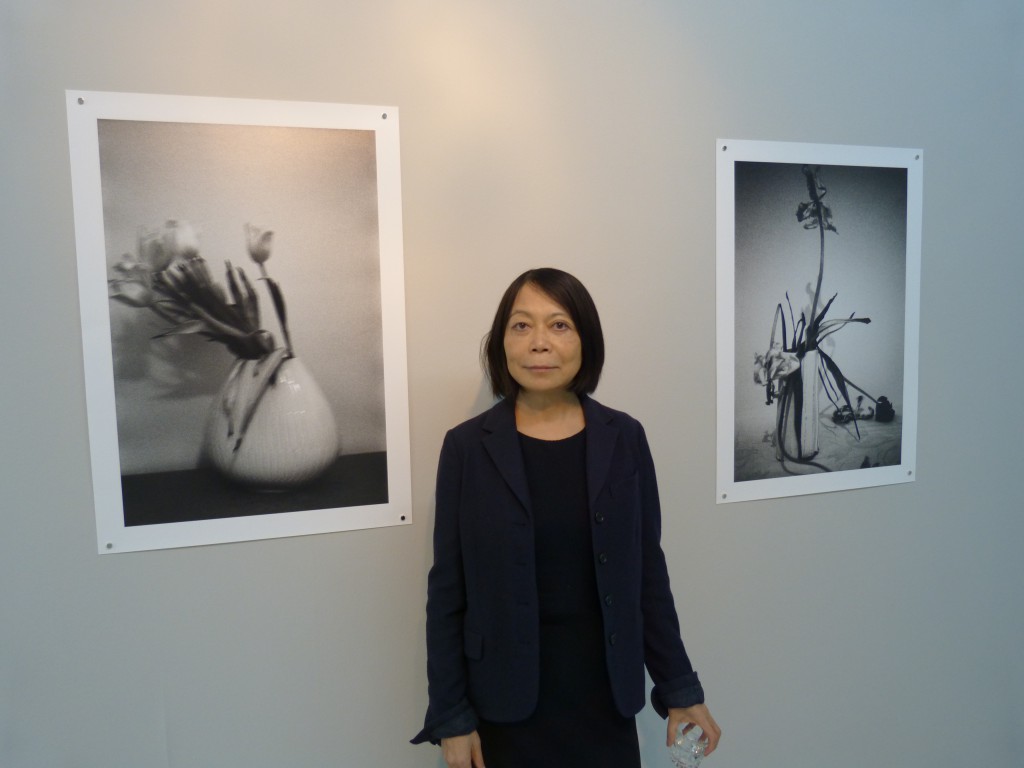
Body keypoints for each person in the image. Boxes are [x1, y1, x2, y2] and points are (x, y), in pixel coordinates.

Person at [411, 268, 720, 767]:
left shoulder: (624, 438)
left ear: (585, 341)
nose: (539, 343)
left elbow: (647, 575)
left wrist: (679, 686)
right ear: (502, 343)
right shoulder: (466, 448)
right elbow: (448, 590)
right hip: (504, 710)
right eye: (521, 326)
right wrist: (451, 715)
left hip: (603, 703)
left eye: (559, 325)